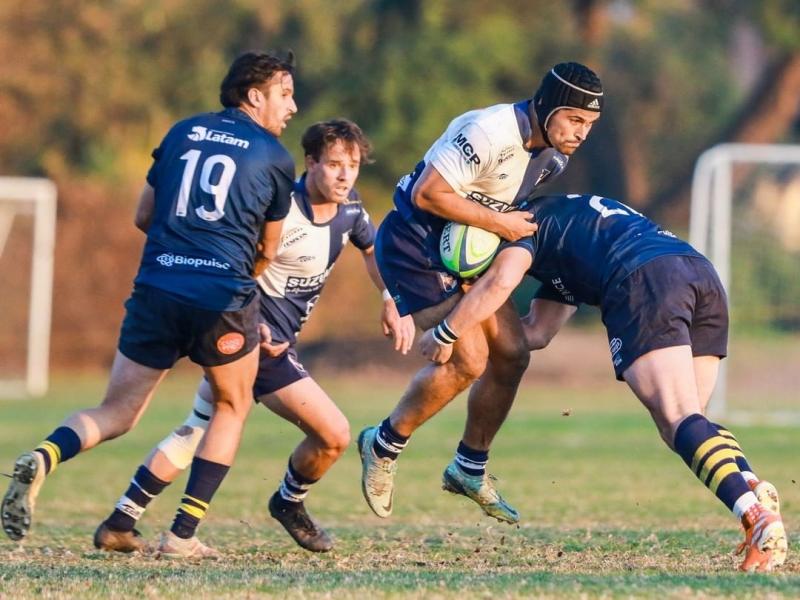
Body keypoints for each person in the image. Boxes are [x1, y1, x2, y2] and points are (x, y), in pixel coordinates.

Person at [2, 51, 298, 558]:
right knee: (231, 404)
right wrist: (231, 283)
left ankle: (46, 454)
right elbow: (269, 250)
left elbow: (144, 214)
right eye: (286, 93)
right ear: (254, 95)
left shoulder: (182, 131)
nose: (293, 106)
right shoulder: (273, 157)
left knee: (116, 411)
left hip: (156, 287)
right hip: (220, 296)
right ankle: (183, 536)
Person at [91, 119, 415, 555]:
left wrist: (388, 297)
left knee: (195, 429)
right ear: (311, 162)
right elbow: (238, 266)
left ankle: (122, 520)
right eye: (335, 164)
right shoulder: (280, 209)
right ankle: (284, 502)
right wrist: (254, 322)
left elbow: (372, 249)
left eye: (353, 165)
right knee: (335, 433)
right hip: (253, 342)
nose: (345, 175)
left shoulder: (352, 210)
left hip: (271, 341)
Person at [419, 192, 788, 573]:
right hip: (694, 270)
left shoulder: (517, 227)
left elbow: (499, 282)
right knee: (687, 422)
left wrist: (449, 329)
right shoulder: (565, 229)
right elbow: (537, 332)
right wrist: (477, 334)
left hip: (644, 278)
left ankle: (755, 515)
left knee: (678, 417)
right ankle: (750, 487)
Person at [358, 62, 603, 523]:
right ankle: (383, 444)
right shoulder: (487, 130)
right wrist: (498, 223)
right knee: (468, 359)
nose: (582, 133)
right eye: (575, 119)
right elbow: (428, 195)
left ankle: (469, 467)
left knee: (512, 352)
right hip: (415, 244)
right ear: (548, 106)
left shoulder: (552, 156)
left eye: (589, 124)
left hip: (464, 251)